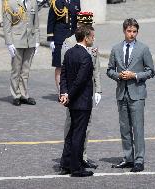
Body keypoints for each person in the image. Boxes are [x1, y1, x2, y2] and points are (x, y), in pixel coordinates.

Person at [107, 18, 155, 172]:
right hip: (121, 93)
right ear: (124, 31)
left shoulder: (143, 49)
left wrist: (134, 75)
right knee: (124, 128)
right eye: (129, 31)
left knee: (138, 128)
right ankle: (128, 158)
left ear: (137, 32)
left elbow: (151, 71)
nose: (132, 34)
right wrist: (119, 76)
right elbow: (109, 70)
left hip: (137, 94)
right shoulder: (115, 49)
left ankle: (139, 160)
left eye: (134, 31)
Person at [61, 12, 101, 169]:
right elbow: (65, 70)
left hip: (86, 92)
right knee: (72, 128)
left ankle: (82, 156)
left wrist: (98, 89)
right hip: (75, 94)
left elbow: (96, 67)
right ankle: (72, 159)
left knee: (86, 127)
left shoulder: (91, 42)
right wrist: (65, 93)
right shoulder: (69, 42)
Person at [2, 0, 40, 106]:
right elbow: (7, 25)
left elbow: (35, 23)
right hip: (17, 41)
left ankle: (24, 95)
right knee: (16, 70)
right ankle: (16, 95)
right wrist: (9, 43)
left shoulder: (33, 3)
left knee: (25, 71)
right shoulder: (10, 3)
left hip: (30, 41)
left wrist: (37, 40)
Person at [47, 0, 80, 95]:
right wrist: (51, 39)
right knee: (59, 66)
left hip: (73, 38)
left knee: (73, 65)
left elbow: (78, 19)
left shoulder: (76, 1)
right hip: (59, 38)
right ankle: (61, 92)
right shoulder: (56, 2)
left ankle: (71, 90)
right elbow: (51, 20)